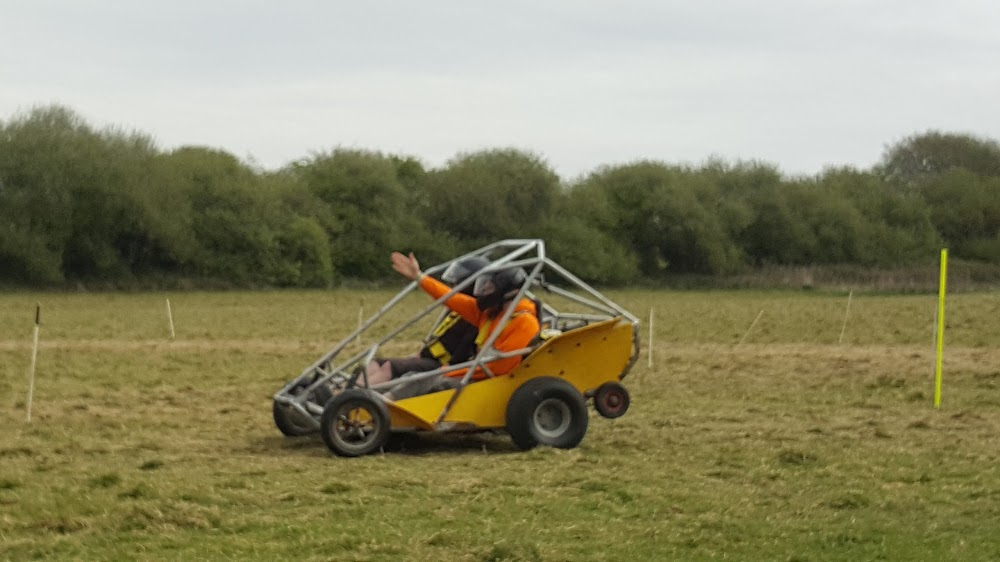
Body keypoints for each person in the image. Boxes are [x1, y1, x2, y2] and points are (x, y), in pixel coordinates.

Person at [386, 251, 540, 400]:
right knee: (412, 377)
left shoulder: (525, 322)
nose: (484, 289)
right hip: (477, 376)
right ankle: (374, 402)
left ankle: (380, 409)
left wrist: (448, 372)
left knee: (425, 381)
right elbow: (451, 298)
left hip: (492, 386)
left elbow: (499, 368)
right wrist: (419, 277)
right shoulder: (489, 314)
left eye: (490, 286)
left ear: (509, 292)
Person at [363, 256, 489, 387]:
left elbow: (462, 354)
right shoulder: (455, 312)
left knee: (389, 367)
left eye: (457, 283)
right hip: (428, 359)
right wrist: (418, 355)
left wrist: (444, 370)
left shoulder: (474, 318)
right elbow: (437, 339)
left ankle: (355, 399)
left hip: (441, 367)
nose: (453, 285)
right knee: (376, 363)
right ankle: (349, 392)